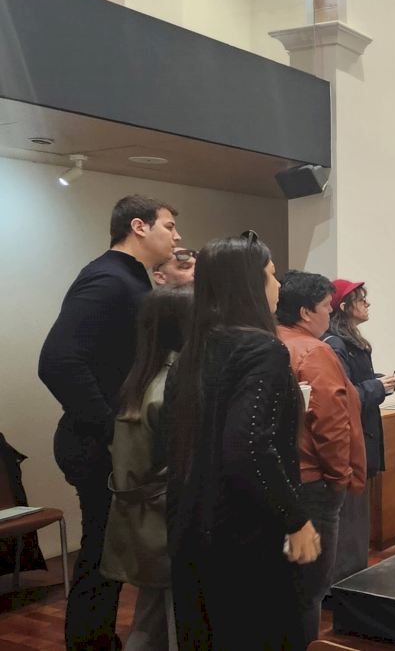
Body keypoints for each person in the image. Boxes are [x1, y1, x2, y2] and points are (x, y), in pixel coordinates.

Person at [164, 233, 320, 649]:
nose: (279, 285)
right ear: (249, 284)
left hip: (193, 529)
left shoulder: (191, 354)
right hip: (246, 535)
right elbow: (247, 447)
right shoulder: (262, 349)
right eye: (271, 275)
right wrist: (295, 518)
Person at [38, 194, 180, 649]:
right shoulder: (109, 279)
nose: (176, 236)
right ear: (138, 226)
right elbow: (58, 362)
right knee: (101, 554)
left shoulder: (130, 279)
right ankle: (89, 642)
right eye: (169, 226)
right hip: (96, 443)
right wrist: (113, 430)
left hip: (109, 442)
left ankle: (97, 639)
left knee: (109, 553)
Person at [276, 270, 366, 645]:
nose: (331, 313)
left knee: (282, 583)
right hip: (313, 482)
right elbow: (330, 422)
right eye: (327, 307)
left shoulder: (270, 342)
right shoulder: (314, 352)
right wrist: (340, 476)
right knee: (309, 588)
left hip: (278, 478)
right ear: (305, 312)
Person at [100, 284, 192, 651]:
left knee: (150, 619)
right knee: (170, 624)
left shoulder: (141, 379)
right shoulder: (170, 386)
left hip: (143, 517)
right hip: (161, 520)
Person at [323, 280, 395, 584]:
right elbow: (343, 396)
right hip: (350, 440)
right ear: (343, 307)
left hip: (361, 435)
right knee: (348, 518)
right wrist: (376, 386)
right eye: (360, 299)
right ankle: (345, 584)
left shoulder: (349, 342)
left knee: (355, 517)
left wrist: (378, 383)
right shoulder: (336, 345)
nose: (367, 304)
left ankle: (351, 580)